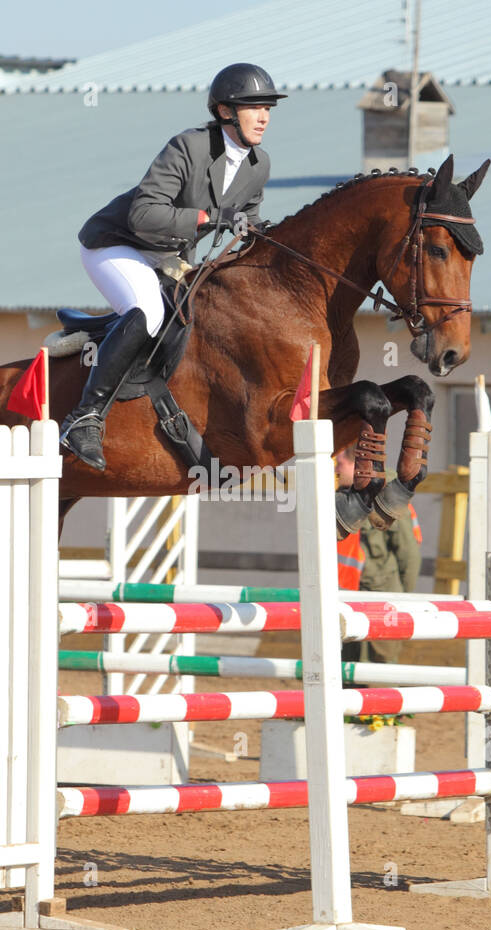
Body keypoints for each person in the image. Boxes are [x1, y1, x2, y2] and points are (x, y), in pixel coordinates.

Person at [59, 63, 285, 471]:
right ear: (224, 112)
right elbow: (144, 215)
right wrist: (204, 219)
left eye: (267, 106)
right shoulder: (189, 146)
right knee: (149, 310)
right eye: (254, 106)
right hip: (116, 244)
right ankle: (84, 418)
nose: (264, 116)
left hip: (169, 258)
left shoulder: (259, 164)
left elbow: (245, 227)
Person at [334, 449, 423, 667]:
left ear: (357, 465)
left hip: (383, 600)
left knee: (382, 671)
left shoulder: (387, 499)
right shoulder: (343, 497)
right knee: (348, 672)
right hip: (350, 598)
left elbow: (409, 555)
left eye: (340, 465)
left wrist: (404, 600)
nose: (335, 471)